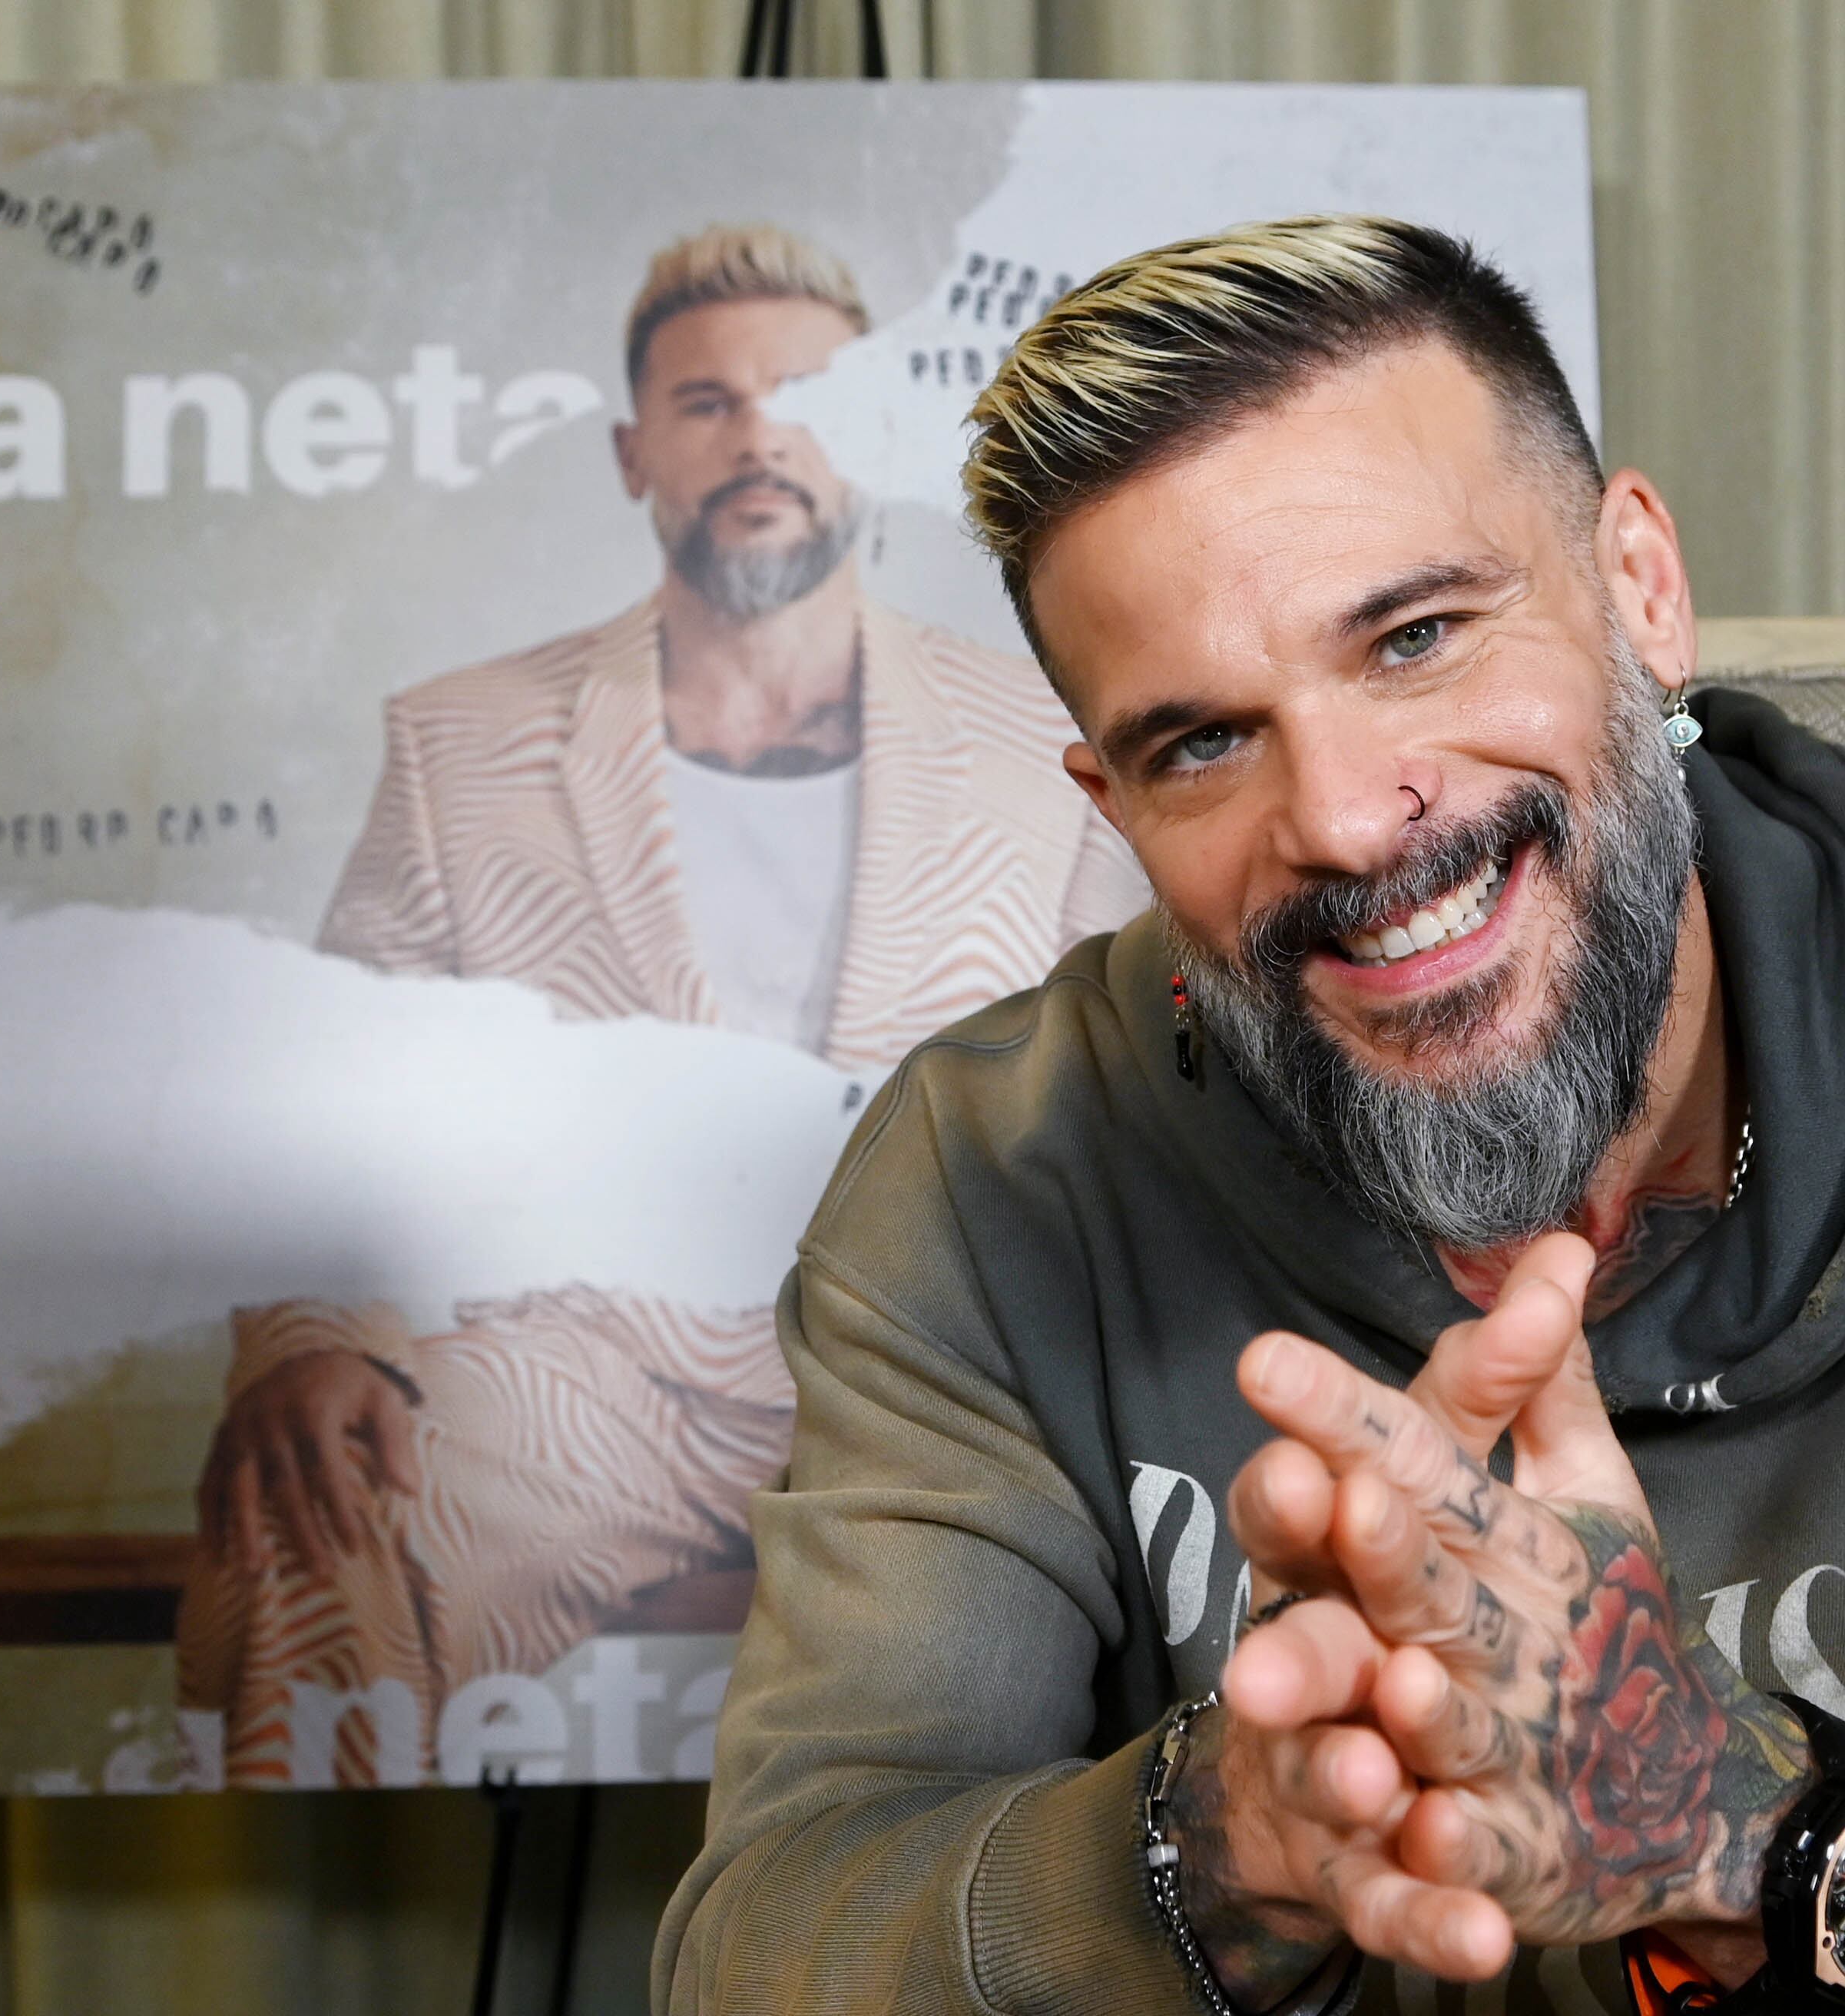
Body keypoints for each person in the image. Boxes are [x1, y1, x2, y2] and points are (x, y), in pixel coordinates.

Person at [654, 217, 1845, 2014]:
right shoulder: (984, 1188)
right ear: (1115, 805)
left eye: (1416, 636)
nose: (1345, 816)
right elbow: (765, 1946)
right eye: (1205, 740)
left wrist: (1752, 1832)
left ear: (1640, 587)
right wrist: (1234, 1837)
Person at [174, 223, 1144, 1786]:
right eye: (707, 403)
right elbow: (342, 1086)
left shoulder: (1047, 735)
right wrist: (306, 1341)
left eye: (806, 398)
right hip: (586, 1376)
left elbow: (1147, 1079)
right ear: (634, 454)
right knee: (315, 1509)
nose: (759, 436)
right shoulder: (462, 741)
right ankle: (310, 1921)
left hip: (952, 1370)